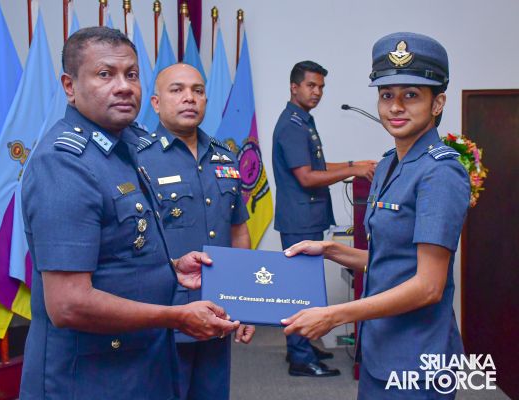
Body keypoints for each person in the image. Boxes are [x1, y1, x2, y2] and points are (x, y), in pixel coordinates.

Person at [19, 27, 239, 400]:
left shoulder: (125, 148)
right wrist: (176, 317)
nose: (123, 86)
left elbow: (119, 253)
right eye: (105, 74)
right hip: (89, 378)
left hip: (141, 364)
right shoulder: (65, 164)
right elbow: (68, 304)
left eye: (131, 74)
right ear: (70, 86)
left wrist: (171, 267)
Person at [282, 33, 470, 399]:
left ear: (437, 103)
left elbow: (428, 286)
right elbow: (392, 262)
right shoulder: (387, 165)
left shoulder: (440, 172)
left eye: (411, 95)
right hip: (380, 346)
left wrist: (335, 315)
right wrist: (330, 251)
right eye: (386, 95)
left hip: (417, 356)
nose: (395, 107)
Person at [136, 63, 255, 400]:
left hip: (217, 309)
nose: (189, 98)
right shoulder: (138, 159)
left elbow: (238, 232)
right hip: (164, 313)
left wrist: (246, 301)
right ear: (156, 103)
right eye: (177, 90)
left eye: (197, 91)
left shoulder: (224, 157)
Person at [271, 60, 377, 377]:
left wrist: (353, 164)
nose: (317, 92)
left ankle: (301, 346)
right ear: (294, 87)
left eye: (321, 87)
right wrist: (353, 170)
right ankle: (301, 358)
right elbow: (306, 177)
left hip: (308, 217)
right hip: (299, 220)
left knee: (305, 287)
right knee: (299, 290)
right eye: (311, 85)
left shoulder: (304, 120)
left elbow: (317, 165)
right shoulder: (292, 125)